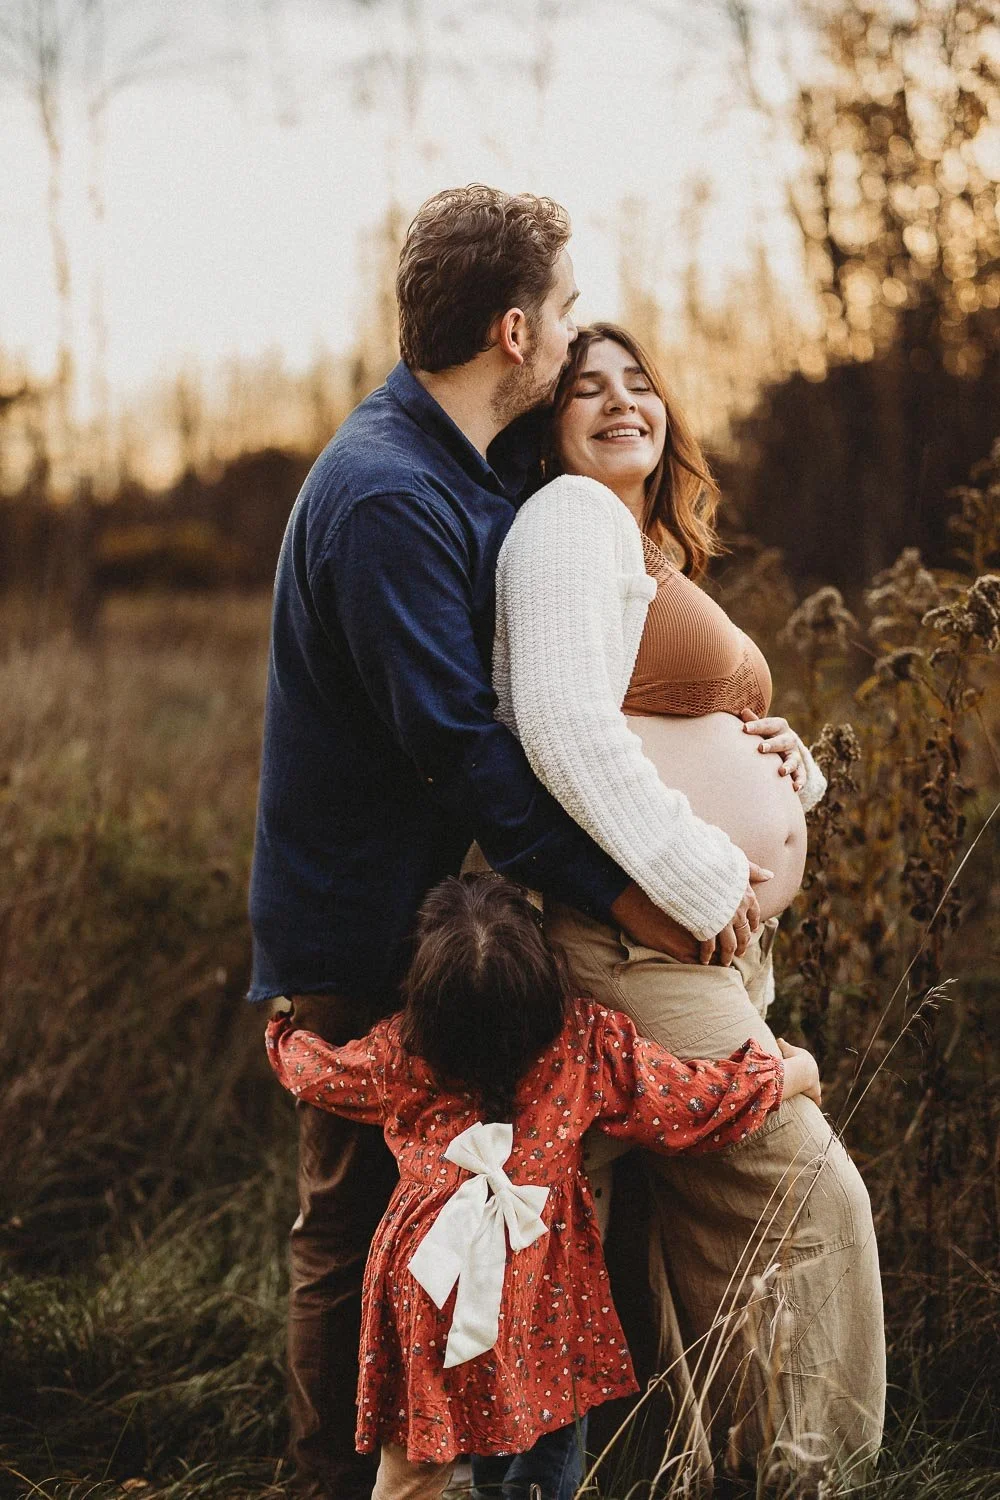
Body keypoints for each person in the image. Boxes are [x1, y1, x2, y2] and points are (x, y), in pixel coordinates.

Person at [248, 190, 764, 1500]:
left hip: (444, 916)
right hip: (367, 926)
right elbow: (466, 748)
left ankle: (511, 1463)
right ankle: (340, 1481)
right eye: (573, 307)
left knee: (484, 1215)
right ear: (519, 329)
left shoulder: (468, 474)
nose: (587, 333)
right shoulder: (386, 500)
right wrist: (633, 892)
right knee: (360, 1229)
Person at [490, 324, 886, 1482]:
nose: (621, 403)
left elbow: (655, 722)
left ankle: (692, 1471)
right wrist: (705, 873)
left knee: (676, 1240)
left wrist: (781, 764)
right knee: (808, 1205)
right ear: (547, 421)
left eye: (638, 383)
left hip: (688, 950)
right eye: (585, 388)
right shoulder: (565, 519)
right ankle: (810, 1477)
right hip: (641, 943)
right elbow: (559, 731)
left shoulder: (633, 542)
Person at [265, 875, 822, 1500]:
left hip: (426, 1278)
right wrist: (788, 1073)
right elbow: (689, 1103)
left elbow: (321, 1074)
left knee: (414, 1470)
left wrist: (284, 1035)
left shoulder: (402, 1048)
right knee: (546, 1440)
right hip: (542, 1281)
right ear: (546, 974)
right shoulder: (584, 1041)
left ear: (421, 991)